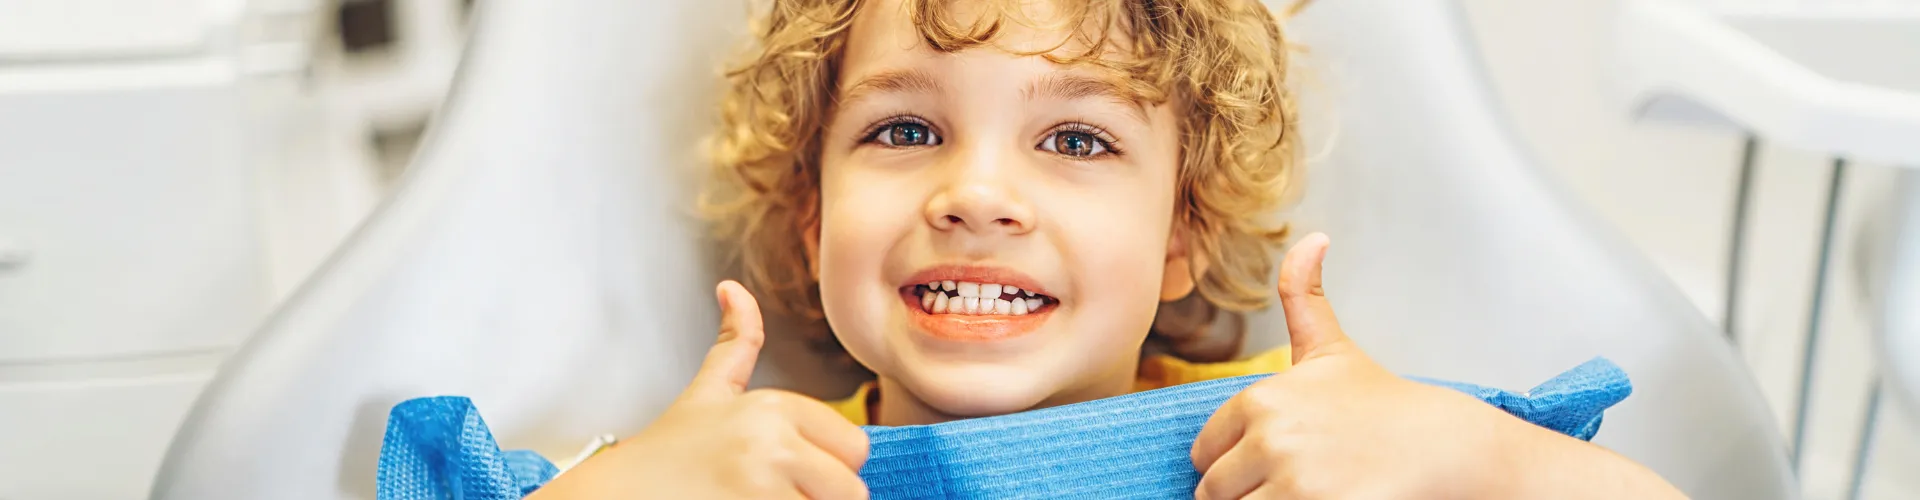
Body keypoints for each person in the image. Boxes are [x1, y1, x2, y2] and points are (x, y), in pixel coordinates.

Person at [530, 0, 1689, 497]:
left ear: (1181, 235)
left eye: (1075, 139)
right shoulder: (742, 474)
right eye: (906, 128)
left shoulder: (1285, 443)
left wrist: (1483, 460)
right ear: (815, 220)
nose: (977, 192)